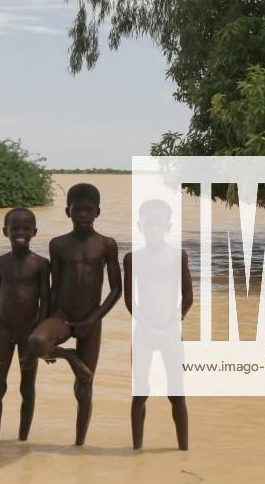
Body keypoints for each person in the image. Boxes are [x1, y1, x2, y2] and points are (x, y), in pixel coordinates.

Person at [23, 183, 122, 446]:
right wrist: (43, 320)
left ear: (97, 212)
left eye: (88, 210)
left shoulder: (106, 244)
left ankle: (79, 444)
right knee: (36, 343)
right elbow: (53, 286)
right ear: (67, 211)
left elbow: (116, 290)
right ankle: (70, 357)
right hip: (62, 316)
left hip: (91, 320)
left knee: (85, 387)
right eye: (77, 209)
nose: (82, 214)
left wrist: (95, 318)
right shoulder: (58, 244)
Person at [124, 198, 193, 450]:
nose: (153, 228)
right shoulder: (132, 258)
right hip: (144, 330)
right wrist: (149, 327)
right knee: (140, 392)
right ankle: (136, 450)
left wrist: (172, 323)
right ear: (139, 225)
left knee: (177, 392)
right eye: (148, 224)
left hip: (171, 331)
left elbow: (188, 296)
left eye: (158, 224)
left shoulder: (177, 255)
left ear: (168, 226)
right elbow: (130, 300)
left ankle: (183, 450)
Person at [0, 207, 50, 442]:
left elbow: (45, 303)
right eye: (15, 228)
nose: (20, 232)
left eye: (26, 228)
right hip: (4, 330)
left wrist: (39, 339)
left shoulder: (41, 264)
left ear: (34, 231)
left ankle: (23, 439)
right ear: (5, 231)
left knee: (27, 386)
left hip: (29, 333)